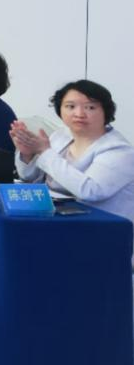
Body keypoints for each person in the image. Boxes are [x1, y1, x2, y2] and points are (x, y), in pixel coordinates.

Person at [13, 81, 134, 250]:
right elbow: (31, 177)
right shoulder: (61, 135)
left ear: (106, 111)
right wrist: (28, 154)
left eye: (90, 107)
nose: (79, 114)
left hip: (102, 234)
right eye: (70, 106)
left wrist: (44, 152)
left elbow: (91, 191)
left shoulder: (120, 150)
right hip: (59, 221)